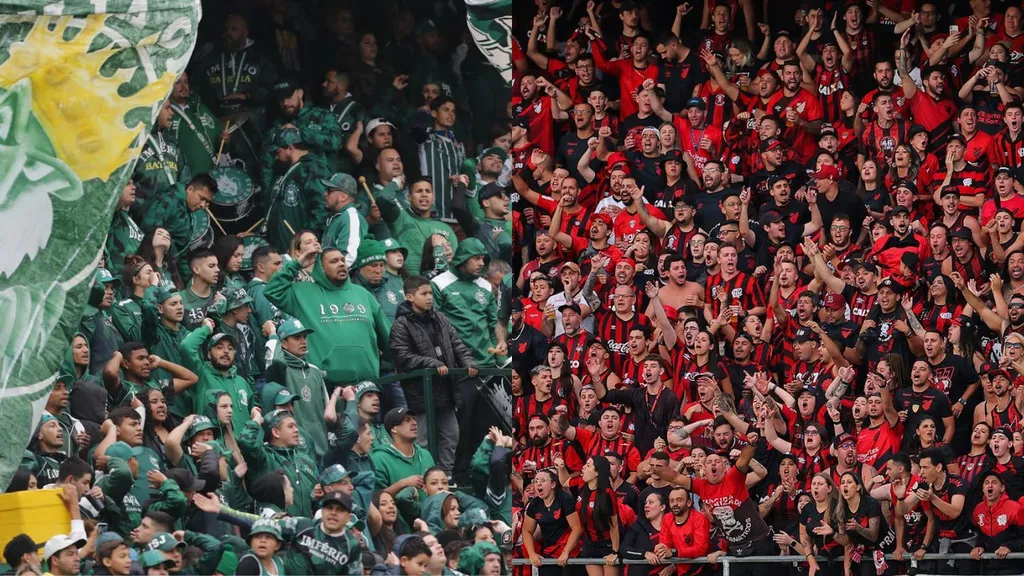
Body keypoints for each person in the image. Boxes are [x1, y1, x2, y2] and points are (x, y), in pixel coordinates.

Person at [265, 245, 391, 386]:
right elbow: (272, 291)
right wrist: (297, 264)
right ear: (321, 268)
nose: (341, 264)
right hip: (324, 386)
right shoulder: (303, 293)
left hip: (367, 385)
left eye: (343, 260)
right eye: (334, 261)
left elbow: (390, 339)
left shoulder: (363, 294)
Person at [390, 275, 478, 473]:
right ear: (410, 297)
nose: (429, 297)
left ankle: (446, 476)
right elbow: (403, 357)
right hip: (420, 394)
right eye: (424, 294)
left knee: (451, 435)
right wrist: (431, 362)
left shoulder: (440, 318)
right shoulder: (401, 325)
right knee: (421, 440)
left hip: (446, 390)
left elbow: (456, 344)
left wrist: (468, 362)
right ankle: (423, 477)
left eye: (430, 293)